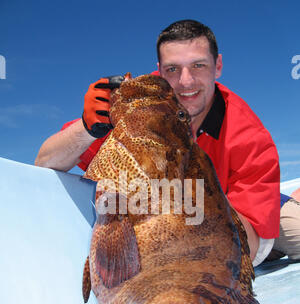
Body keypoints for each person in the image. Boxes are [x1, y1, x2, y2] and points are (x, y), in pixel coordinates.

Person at [35, 19, 300, 266]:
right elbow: (45, 162)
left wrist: (188, 206)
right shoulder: (135, 107)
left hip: (246, 209)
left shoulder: (249, 137)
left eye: (199, 65)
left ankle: (292, 202)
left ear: (217, 66)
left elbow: (252, 244)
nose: (185, 82)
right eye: (173, 69)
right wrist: (88, 127)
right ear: (160, 71)